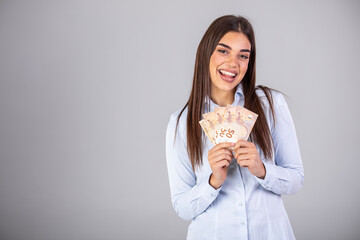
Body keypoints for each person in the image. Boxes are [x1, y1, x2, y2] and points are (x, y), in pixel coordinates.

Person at [165, 15, 304, 240]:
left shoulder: (271, 104)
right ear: (205, 53)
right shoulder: (181, 123)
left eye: (243, 56)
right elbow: (182, 206)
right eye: (223, 51)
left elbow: (296, 179)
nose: (233, 63)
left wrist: (262, 169)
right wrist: (213, 182)